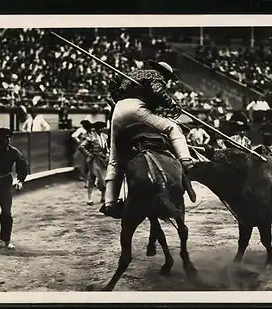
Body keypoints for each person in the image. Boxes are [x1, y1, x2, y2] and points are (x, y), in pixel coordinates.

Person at [101, 60, 195, 218]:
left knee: (114, 159)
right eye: (169, 78)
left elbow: (113, 89)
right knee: (173, 128)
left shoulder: (133, 74)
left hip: (118, 111)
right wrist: (172, 105)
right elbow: (158, 91)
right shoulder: (157, 77)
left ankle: (109, 202)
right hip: (137, 109)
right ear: (165, 74)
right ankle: (185, 159)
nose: (168, 81)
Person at [78, 121, 109, 205]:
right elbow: (81, 147)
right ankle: (89, 198)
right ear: (98, 128)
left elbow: (106, 148)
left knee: (104, 178)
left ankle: (103, 197)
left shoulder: (104, 136)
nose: (103, 129)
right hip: (94, 160)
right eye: (102, 127)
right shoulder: (91, 137)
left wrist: (107, 154)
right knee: (92, 178)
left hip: (103, 160)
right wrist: (89, 154)